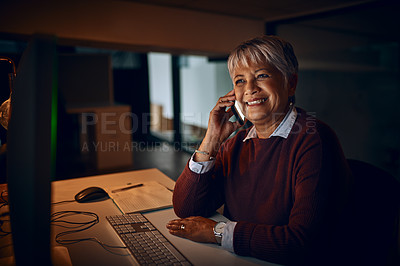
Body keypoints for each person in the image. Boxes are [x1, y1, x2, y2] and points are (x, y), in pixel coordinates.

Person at [166, 35, 352, 265]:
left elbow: (302, 242)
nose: (250, 89)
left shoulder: (313, 139)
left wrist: (217, 233)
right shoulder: (237, 142)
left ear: (290, 83)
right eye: (240, 80)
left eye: (262, 75)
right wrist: (212, 139)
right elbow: (187, 207)